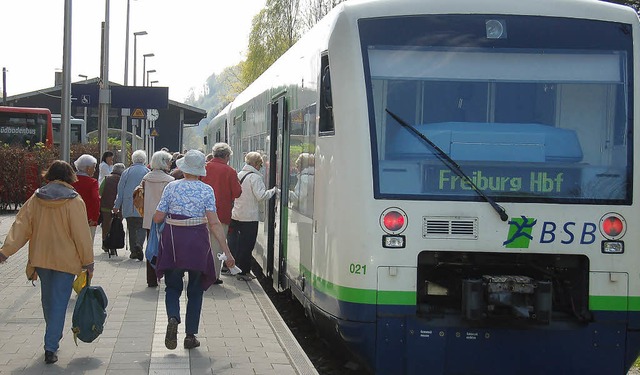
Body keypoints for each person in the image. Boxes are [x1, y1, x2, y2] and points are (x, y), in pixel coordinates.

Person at [0, 160, 94, 365]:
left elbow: (20, 226)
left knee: (48, 301)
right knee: (59, 302)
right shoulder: (74, 200)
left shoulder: (36, 198)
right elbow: (81, 234)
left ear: (49, 175)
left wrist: (5, 251)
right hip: (66, 260)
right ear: (70, 176)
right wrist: (88, 261)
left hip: (41, 258)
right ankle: (51, 346)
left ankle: (51, 336)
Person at [153, 150, 236, 350]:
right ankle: (190, 335)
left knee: (172, 287)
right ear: (200, 171)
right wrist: (227, 253)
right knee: (196, 290)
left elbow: (157, 217)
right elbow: (215, 224)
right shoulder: (206, 190)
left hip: (174, 242)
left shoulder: (171, 187)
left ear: (183, 168)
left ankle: (173, 316)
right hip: (198, 242)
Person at [228, 151, 277, 281]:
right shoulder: (255, 178)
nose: (261, 167)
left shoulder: (240, 174)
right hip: (249, 217)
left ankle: (234, 268)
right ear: (256, 164)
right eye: (260, 164)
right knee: (247, 245)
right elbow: (261, 196)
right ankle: (244, 272)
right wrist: (273, 191)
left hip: (236, 214)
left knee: (237, 244)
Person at [200, 143, 242, 283]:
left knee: (202, 244)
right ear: (226, 156)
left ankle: (200, 272)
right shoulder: (230, 171)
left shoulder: (203, 168)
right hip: (221, 214)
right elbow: (237, 193)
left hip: (202, 213)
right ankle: (213, 276)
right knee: (217, 246)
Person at [141, 150, 174, 287]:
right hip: (165, 219)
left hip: (149, 218)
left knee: (151, 247)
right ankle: (166, 275)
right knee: (167, 248)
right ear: (164, 162)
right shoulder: (170, 181)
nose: (171, 163)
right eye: (169, 161)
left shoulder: (146, 179)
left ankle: (151, 279)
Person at [113, 150, 149, 261]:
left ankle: (134, 250)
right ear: (144, 159)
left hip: (129, 205)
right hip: (143, 204)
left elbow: (120, 190)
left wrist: (117, 205)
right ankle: (139, 245)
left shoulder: (127, 172)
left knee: (131, 227)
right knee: (142, 227)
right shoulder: (147, 171)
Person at [73, 154, 101, 242]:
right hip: (88, 217)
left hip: (72, 216)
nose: (95, 170)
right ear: (88, 168)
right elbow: (95, 199)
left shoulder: (70, 181)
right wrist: (95, 217)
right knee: (87, 244)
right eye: (94, 167)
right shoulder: (92, 182)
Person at [100, 163, 125, 255]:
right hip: (119, 208)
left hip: (106, 207)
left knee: (106, 226)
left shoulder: (106, 179)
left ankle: (105, 244)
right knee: (116, 226)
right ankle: (114, 245)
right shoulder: (123, 179)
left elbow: (100, 191)